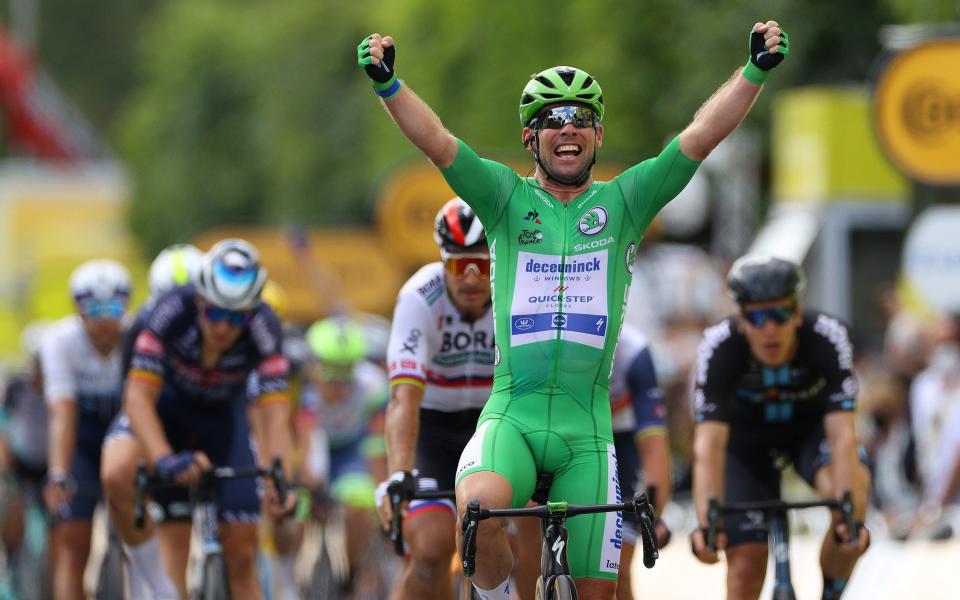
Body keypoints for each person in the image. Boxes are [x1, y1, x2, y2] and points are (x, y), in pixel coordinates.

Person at [358, 18, 789, 599]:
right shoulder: (504, 198)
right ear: (530, 138)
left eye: (581, 118)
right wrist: (389, 84)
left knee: (598, 593)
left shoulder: (626, 201)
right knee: (479, 513)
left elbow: (701, 135)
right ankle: (497, 591)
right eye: (552, 120)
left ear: (598, 135)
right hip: (513, 413)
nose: (568, 129)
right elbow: (437, 141)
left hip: (586, 430)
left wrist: (754, 70)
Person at [100, 239, 294, 599]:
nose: (224, 327)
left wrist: (281, 480)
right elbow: (138, 399)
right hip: (164, 415)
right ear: (201, 300)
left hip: (223, 426)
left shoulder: (265, 326)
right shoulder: (170, 310)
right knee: (116, 472)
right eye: (216, 313)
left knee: (243, 554)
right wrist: (164, 459)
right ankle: (159, 588)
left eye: (238, 317)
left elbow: (275, 414)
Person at [689, 255, 870, 600]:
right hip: (744, 446)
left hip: (808, 434)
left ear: (798, 313)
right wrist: (706, 525)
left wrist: (849, 515)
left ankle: (831, 591)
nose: (769, 328)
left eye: (780, 313)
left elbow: (843, 434)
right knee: (745, 563)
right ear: (740, 319)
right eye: (757, 316)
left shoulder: (828, 336)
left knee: (852, 498)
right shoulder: (719, 346)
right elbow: (708, 447)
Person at [375, 197, 498, 599]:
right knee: (430, 550)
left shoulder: (518, 293)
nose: (472, 279)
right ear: (443, 263)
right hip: (432, 430)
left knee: (525, 534)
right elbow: (403, 399)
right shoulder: (420, 296)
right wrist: (399, 474)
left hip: (494, 426)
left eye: (483, 265)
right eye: (461, 266)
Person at [41, 259, 131, 600]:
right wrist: (59, 474)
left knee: (138, 540)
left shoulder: (137, 335)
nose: (106, 318)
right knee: (71, 544)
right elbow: (62, 414)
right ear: (78, 310)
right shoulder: (59, 341)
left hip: (124, 437)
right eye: (95, 308)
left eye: (115, 307)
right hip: (81, 441)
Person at [294, 316, 388, 593]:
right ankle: (299, 582)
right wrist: (311, 487)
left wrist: (381, 492)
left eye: (344, 374)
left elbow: (375, 445)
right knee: (300, 508)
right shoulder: (303, 386)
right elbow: (307, 441)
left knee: (359, 500)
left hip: (353, 450)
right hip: (320, 442)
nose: (337, 386)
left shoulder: (373, 384)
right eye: (330, 375)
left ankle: (351, 574)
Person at [606, 323, 671, 600]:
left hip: (618, 437)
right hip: (559, 431)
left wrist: (654, 515)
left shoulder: (633, 352)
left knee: (616, 565)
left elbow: (654, 446)